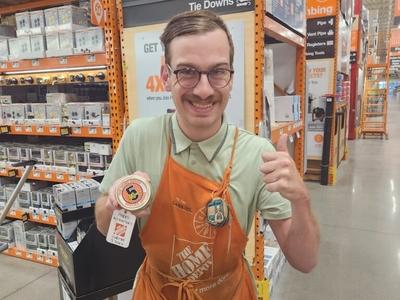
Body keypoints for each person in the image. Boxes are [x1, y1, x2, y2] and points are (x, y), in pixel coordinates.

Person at [95, 9, 319, 300]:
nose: (203, 89)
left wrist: (301, 201)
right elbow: (104, 227)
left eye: (217, 71)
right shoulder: (139, 137)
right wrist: (115, 205)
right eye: (187, 71)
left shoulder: (258, 155)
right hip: (157, 292)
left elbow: (305, 261)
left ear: (230, 77)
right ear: (166, 77)